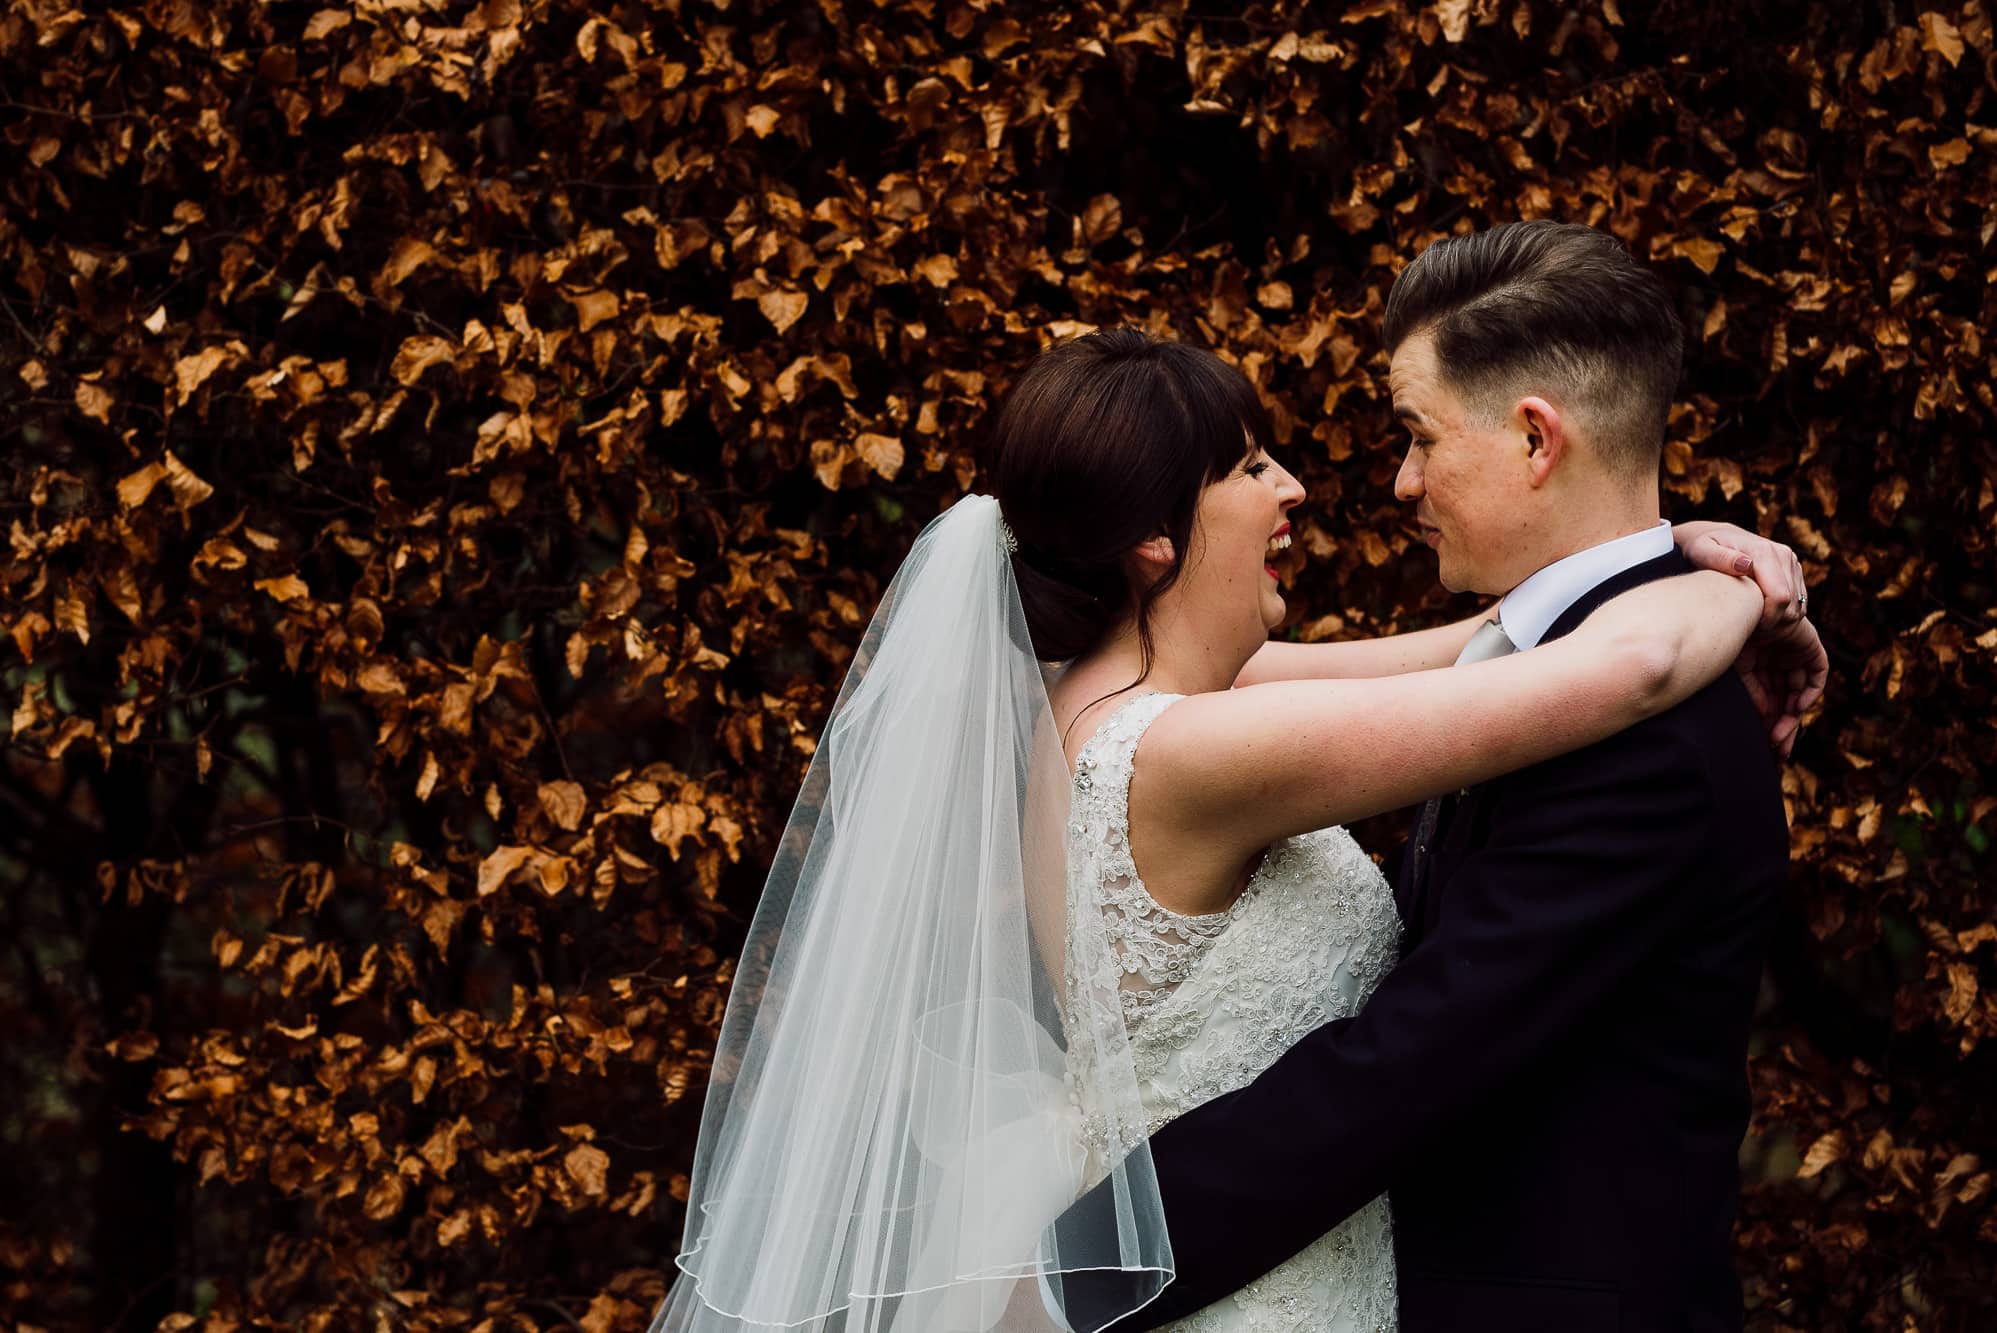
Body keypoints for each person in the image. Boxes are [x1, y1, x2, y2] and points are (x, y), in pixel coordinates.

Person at [649, 271, 1822, 1329]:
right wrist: (1736, 597)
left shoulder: (1094, 697)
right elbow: (1623, 669)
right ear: (1156, 540)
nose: (1304, 486)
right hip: (1242, 1291)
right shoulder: (1186, 749)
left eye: (1411, 436)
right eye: (1251, 466)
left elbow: (1472, 644)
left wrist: (1679, 546)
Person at [1053, 221, 1823, 1333]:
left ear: (1532, 439)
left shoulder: (1649, 740)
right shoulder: (1565, 667)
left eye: (1416, 435)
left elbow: (1394, 1075)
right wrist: (1721, 581)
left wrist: (1059, 1280)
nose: (1399, 481)